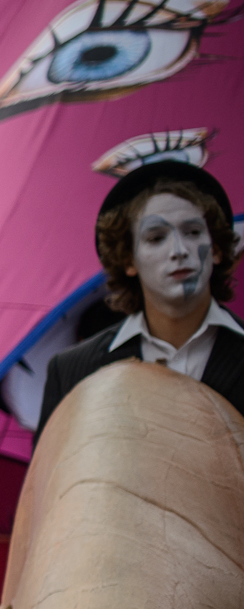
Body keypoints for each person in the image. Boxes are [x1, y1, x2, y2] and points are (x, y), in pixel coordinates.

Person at [39, 161, 242, 432]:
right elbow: (52, 473)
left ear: (215, 248)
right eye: (156, 238)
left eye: (193, 232)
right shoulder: (72, 371)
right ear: (128, 260)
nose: (179, 250)